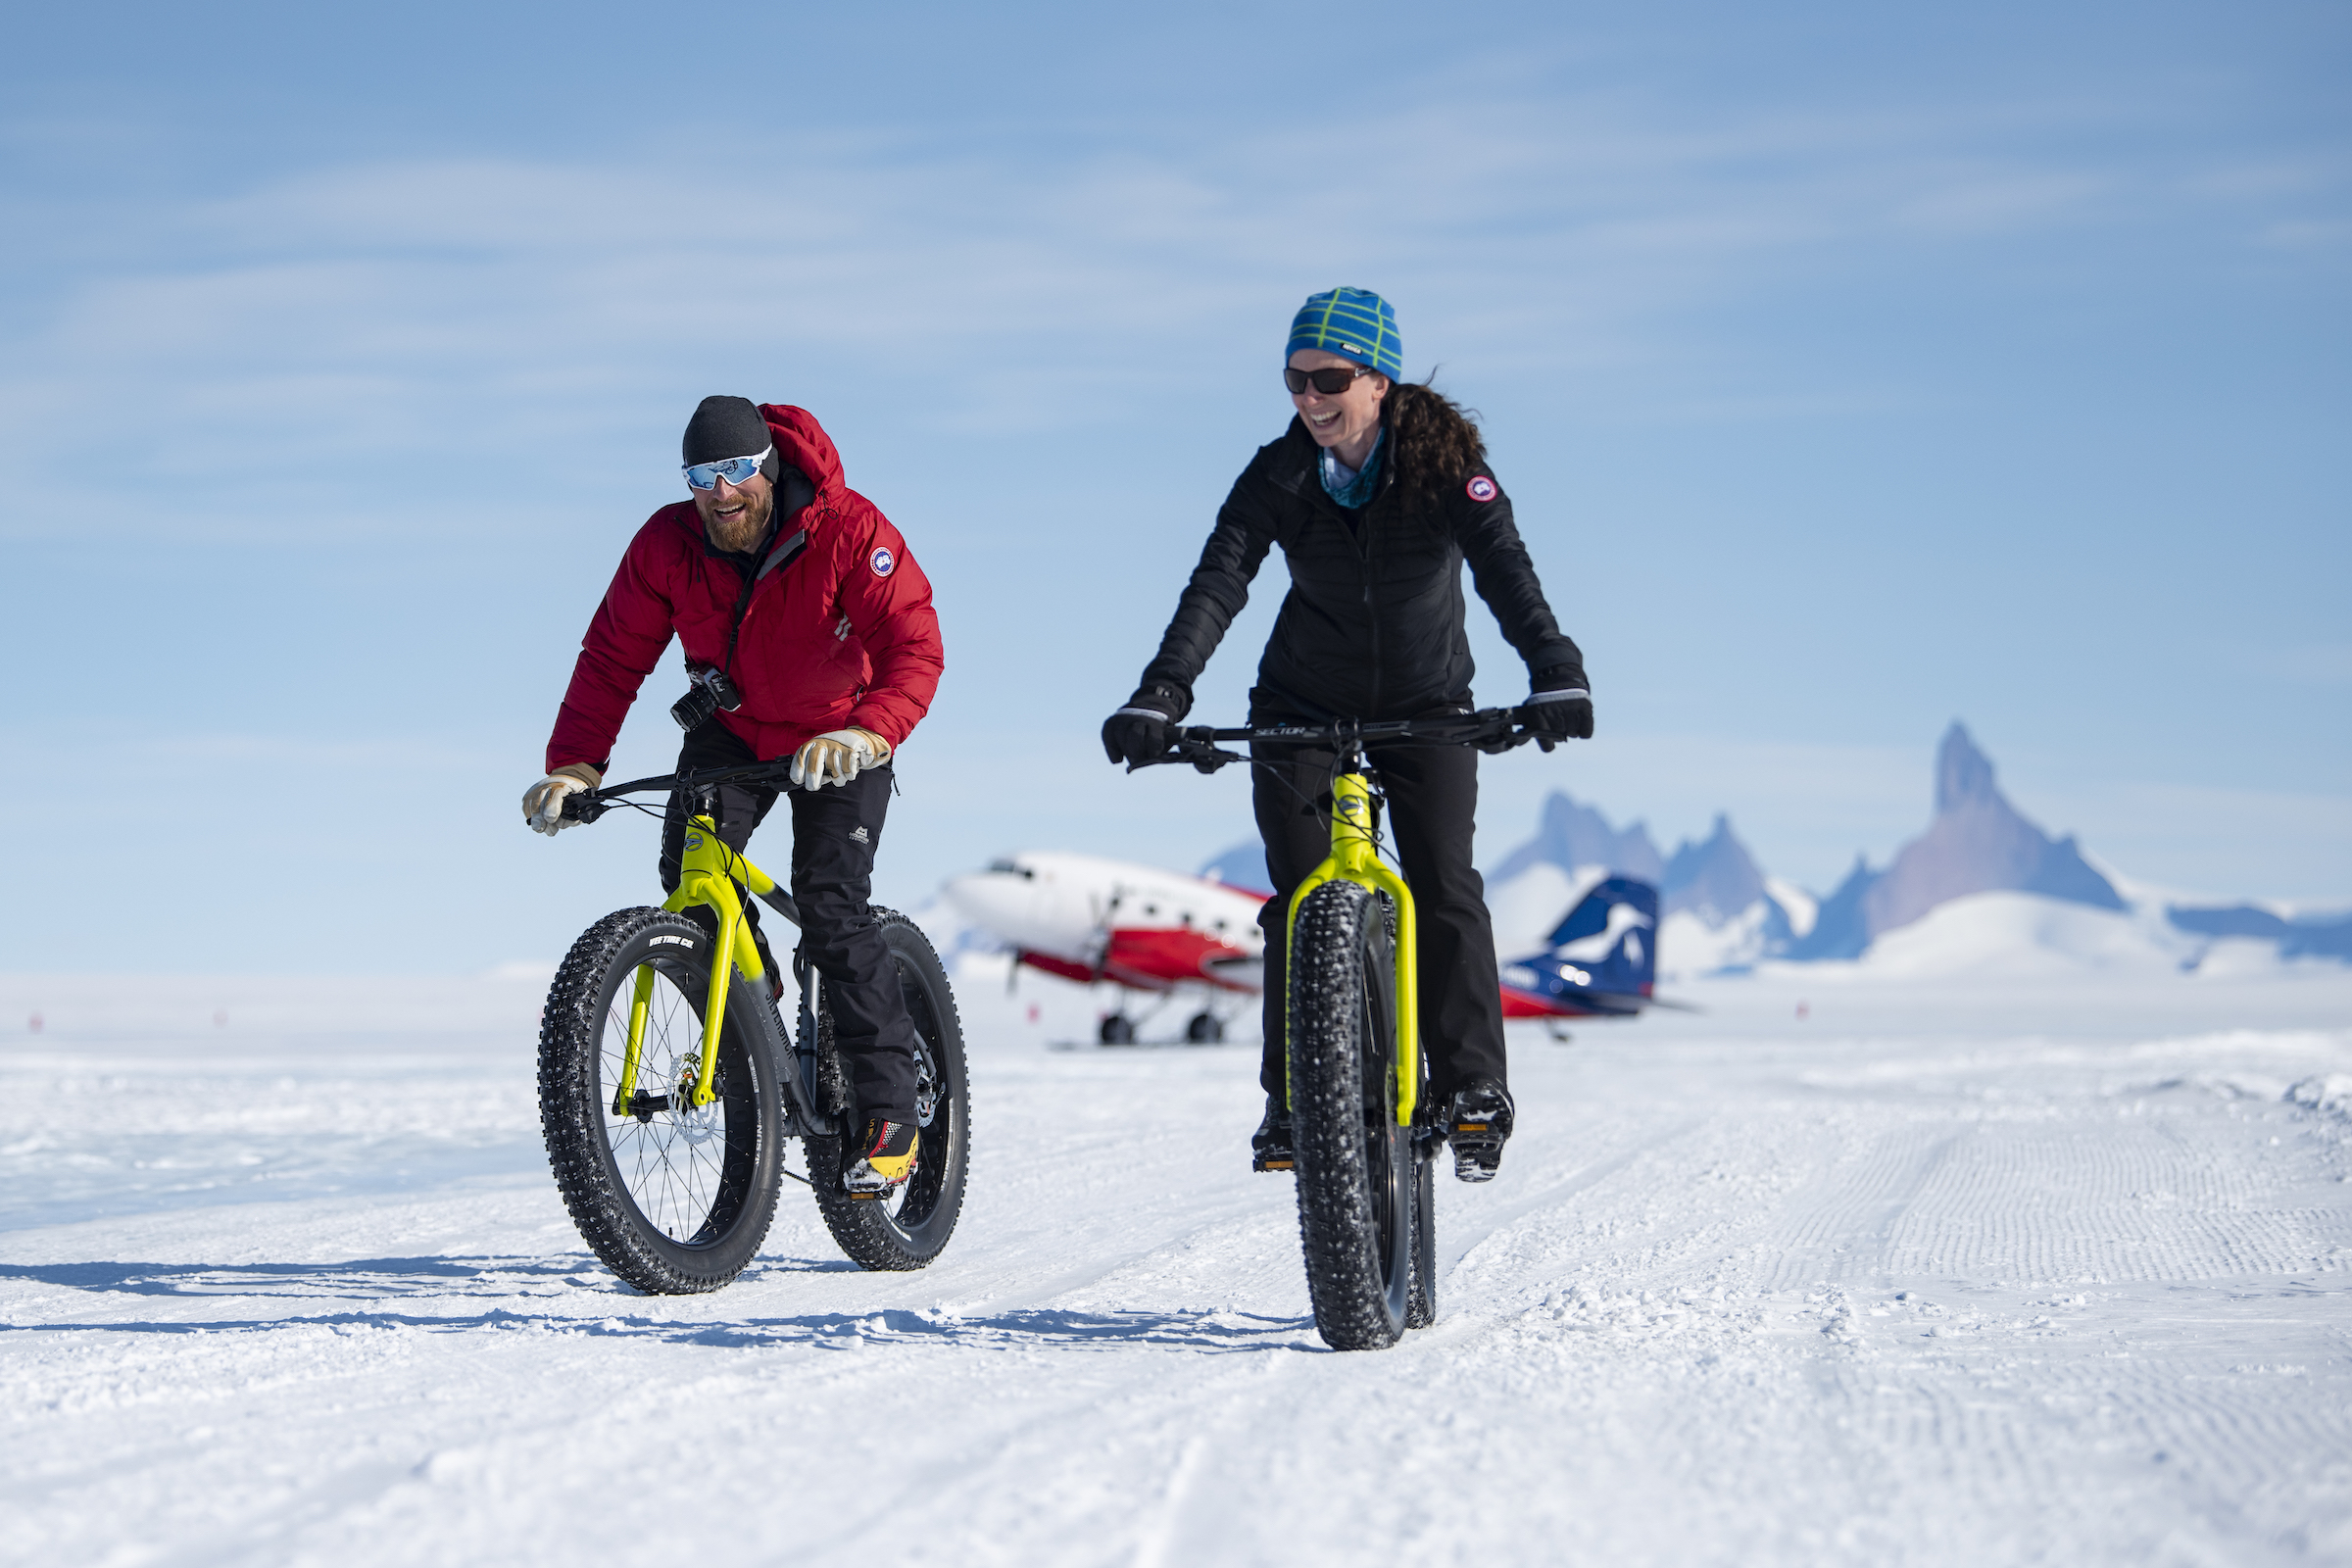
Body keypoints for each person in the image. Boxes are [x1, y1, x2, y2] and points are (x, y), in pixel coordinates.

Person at [1100, 288, 1592, 1183]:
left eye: (1328, 378)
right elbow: (1219, 582)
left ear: (1378, 377)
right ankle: (1292, 1098)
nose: (1308, 399)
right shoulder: (1278, 473)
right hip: (1299, 703)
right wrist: (1161, 693)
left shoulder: (1447, 465)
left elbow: (1506, 571)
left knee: (1444, 884)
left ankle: (1475, 1085)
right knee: (1298, 899)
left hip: (1430, 707)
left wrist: (1555, 670)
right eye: (1293, 380)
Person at [522, 395, 945, 1196]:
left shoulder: (848, 529)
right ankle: (753, 995)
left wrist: (871, 732)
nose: (721, 493)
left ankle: (893, 1113)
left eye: (736, 472)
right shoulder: (665, 544)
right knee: (689, 873)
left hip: (840, 734)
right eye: (701, 477)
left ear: (767, 466)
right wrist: (576, 766)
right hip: (737, 732)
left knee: (831, 901)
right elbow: (612, 657)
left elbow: (912, 643)